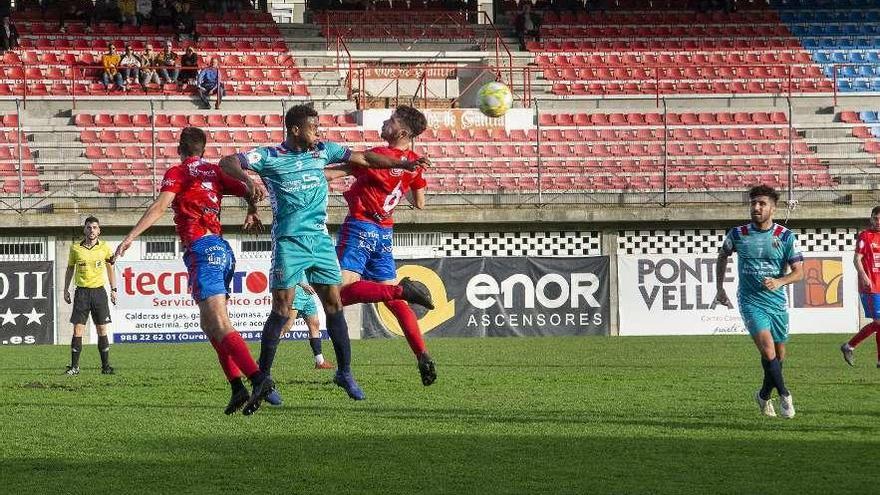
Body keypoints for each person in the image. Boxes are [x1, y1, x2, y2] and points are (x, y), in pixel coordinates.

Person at [218, 104, 430, 402]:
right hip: (289, 242)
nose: (318, 132)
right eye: (313, 128)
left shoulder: (324, 150)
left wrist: (406, 166)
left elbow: (366, 158)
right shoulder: (268, 156)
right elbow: (228, 161)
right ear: (295, 130)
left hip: (319, 241)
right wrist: (248, 180)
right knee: (281, 309)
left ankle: (344, 372)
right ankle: (262, 380)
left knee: (334, 304)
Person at [113, 127, 274, 416]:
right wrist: (252, 210)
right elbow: (254, 189)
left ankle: (259, 379)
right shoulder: (215, 171)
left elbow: (160, 207)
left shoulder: (179, 172)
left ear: (180, 149)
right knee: (209, 325)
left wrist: (130, 237)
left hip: (203, 249)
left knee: (220, 324)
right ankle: (237, 387)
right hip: (221, 252)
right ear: (203, 148)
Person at [324, 105, 437, 386]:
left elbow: (340, 171)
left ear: (401, 132)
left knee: (335, 295)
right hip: (384, 233)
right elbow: (419, 203)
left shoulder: (381, 155)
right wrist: (404, 180)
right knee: (394, 303)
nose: (385, 123)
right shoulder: (413, 162)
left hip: (360, 227)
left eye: (390, 121)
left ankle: (402, 289)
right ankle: (422, 353)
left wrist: (306, 176)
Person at [714, 185, 804, 419]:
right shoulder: (738, 234)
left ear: (773, 208)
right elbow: (722, 255)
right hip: (750, 301)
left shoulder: (785, 236)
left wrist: (780, 282)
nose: (756, 207)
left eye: (762, 203)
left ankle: (763, 396)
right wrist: (720, 288)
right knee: (767, 349)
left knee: (778, 355)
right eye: (753, 203)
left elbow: (799, 272)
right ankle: (785, 395)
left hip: (776, 303)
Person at [63, 216, 117, 376]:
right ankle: (74, 367)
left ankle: (106, 367)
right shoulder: (75, 248)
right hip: (82, 293)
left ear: (99, 230)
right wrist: (65, 289)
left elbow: (110, 268)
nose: (91, 230)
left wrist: (114, 289)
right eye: (88, 227)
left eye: (94, 227)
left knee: (102, 328)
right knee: (78, 329)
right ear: (84, 230)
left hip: (99, 292)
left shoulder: (105, 247)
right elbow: (70, 269)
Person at [841, 206, 880, 368]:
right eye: (876, 218)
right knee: (879, 322)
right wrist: (864, 276)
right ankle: (849, 346)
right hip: (870, 286)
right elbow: (857, 259)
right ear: (871, 219)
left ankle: (878, 359)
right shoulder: (865, 236)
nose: (878, 222)